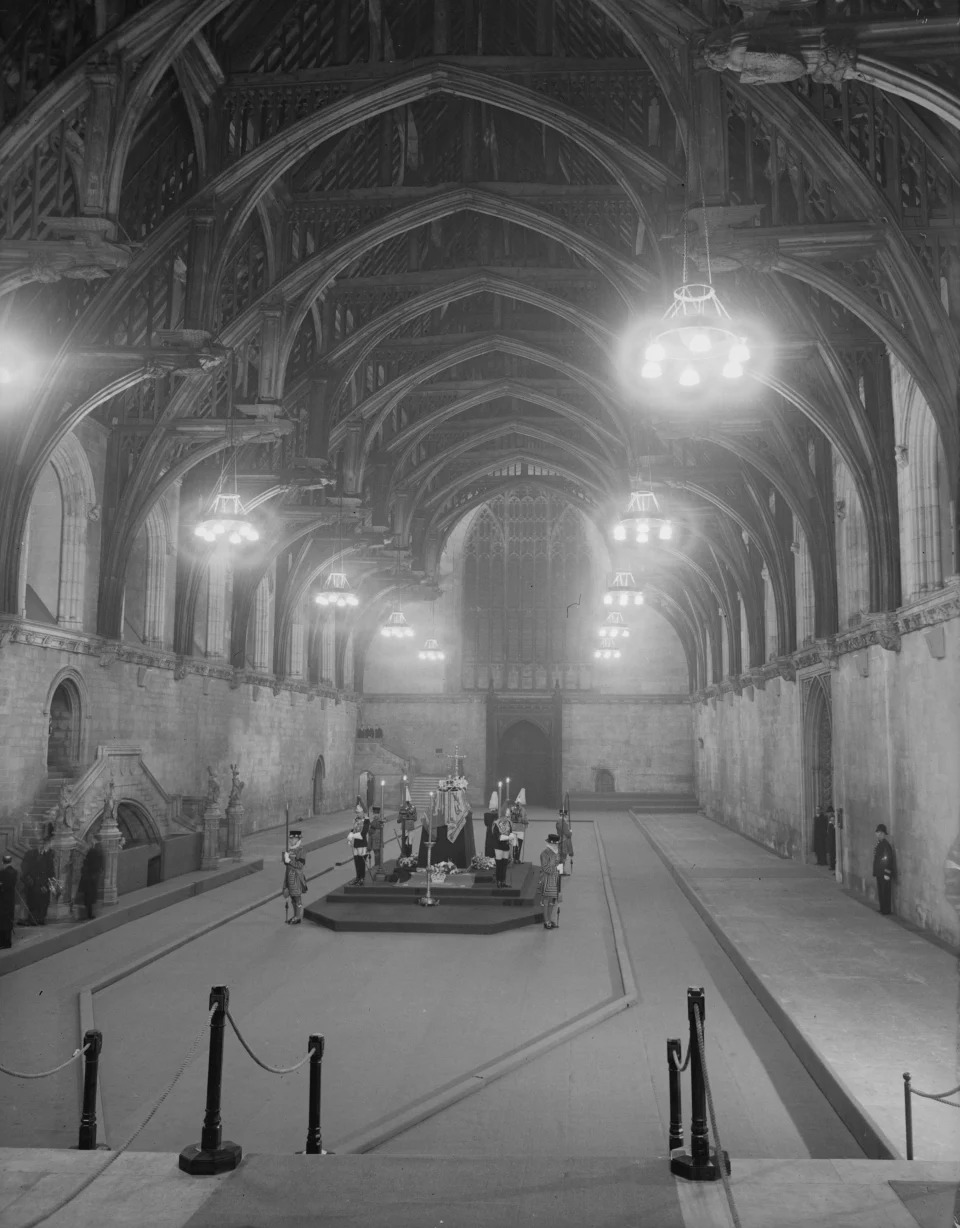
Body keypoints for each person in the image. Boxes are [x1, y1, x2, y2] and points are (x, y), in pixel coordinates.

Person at [20, 838, 54, 925]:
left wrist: (47, 884)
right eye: (39, 844)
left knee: (43, 902)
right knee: (32, 901)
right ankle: (33, 919)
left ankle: (41, 919)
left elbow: (51, 871)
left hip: (44, 884)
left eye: (43, 844)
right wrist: (28, 878)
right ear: (36, 845)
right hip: (33, 883)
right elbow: (24, 867)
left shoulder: (48, 855)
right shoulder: (30, 854)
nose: (41, 846)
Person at [281, 829, 307, 924]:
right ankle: (295, 915)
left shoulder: (301, 850)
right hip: (288, 875)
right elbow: (285, 863)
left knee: (297, 898)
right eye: (290, 839)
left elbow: (300, 865)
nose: (290, 840)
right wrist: (285, 857)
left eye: (292, 839)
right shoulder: (290, 849)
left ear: (297, 839)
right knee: (292, 897)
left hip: (296, 876)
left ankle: (298, 916)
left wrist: (289, 861)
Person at [538, 833, 562, 929]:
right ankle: (546, 921)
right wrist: (556, 868)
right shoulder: (544, 854)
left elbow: (559, 863)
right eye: (555, 844)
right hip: (547, 879)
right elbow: (545, 868)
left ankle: (549, 919)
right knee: (546, 901)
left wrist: (560, 868)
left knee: (553, 901)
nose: (556, 845)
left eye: (557, 844)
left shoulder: (557, 853)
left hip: (555, 879)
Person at [77, 836, 103, 920]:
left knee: (88, 896)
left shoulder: (93, 851)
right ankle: (89, 913)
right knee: (89, 896)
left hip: (89, 878)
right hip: (91, 878)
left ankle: (88, 913)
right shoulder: (95, 850)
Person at [873, 824, 896, 915]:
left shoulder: (886, 845)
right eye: (877, 833)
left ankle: (886, 909)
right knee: (881, 891)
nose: (877, 834)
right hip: (879, 872)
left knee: (885, 891)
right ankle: (882, 908)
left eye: (878, 833)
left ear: (882, 834)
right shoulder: (879, 844)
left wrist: (887, 873)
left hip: (884, 873)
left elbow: (888, 860)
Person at [348, 808, 370, 885]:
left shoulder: (366, 821)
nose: (357, 814)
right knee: (356, 862)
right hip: (356, 844)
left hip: (362, 844)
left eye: (359, 813)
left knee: (362, 862)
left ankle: (362, 878)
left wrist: (352, 835)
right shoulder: (355, 820)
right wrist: (349, 837)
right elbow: (353, 829)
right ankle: (357, 877)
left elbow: (363, 833)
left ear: (362, 812)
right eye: (357, 813)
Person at [0, 853, 17, 948]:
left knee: (2, 922)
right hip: (10, 900)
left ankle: (3, 943)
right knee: (8, 921)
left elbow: (3, 887)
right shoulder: (15, 872)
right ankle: (8, 942)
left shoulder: (2, 873)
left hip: (2, 901)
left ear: (3, 862)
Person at [510, 789, 529, 863]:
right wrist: (526, 823)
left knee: (514, 844)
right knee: (519, 844)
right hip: (520, 829)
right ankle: (517, 859)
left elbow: (510, 818)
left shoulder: (512, 809)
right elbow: (525, 820)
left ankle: (514, 858)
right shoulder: (523, 810)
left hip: (513, 828)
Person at [556, 807, 574, 876]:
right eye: (566, 815)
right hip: (564, 840)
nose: (567, 817)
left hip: (560, 839)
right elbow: (568, 834)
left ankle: (560, 870)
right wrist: (570, 832)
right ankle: (561, 871)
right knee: (563, 856)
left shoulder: (558, 821)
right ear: (564, 815)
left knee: (561, 855)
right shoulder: (563, 823)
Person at [825, 806, 837, 871]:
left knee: (833, 854)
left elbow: (834, 829)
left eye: (829, 813)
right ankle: (832, 866)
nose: (828, 814)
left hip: (833, 840)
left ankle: (834, 867)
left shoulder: (833, 819)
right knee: (831, 854)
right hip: (830, 839)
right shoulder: (829, 819)